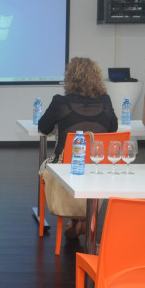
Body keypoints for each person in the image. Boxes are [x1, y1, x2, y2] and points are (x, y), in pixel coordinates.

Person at [38, 57, 118, 237]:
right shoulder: (105, 101)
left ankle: (74, 218)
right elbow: (112, 129)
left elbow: (43, 128)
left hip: (65, 166)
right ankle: (82, 218)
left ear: (70, 78)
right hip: (97, 165)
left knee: (44, 167)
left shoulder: (60, 102)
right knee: (84, 169)